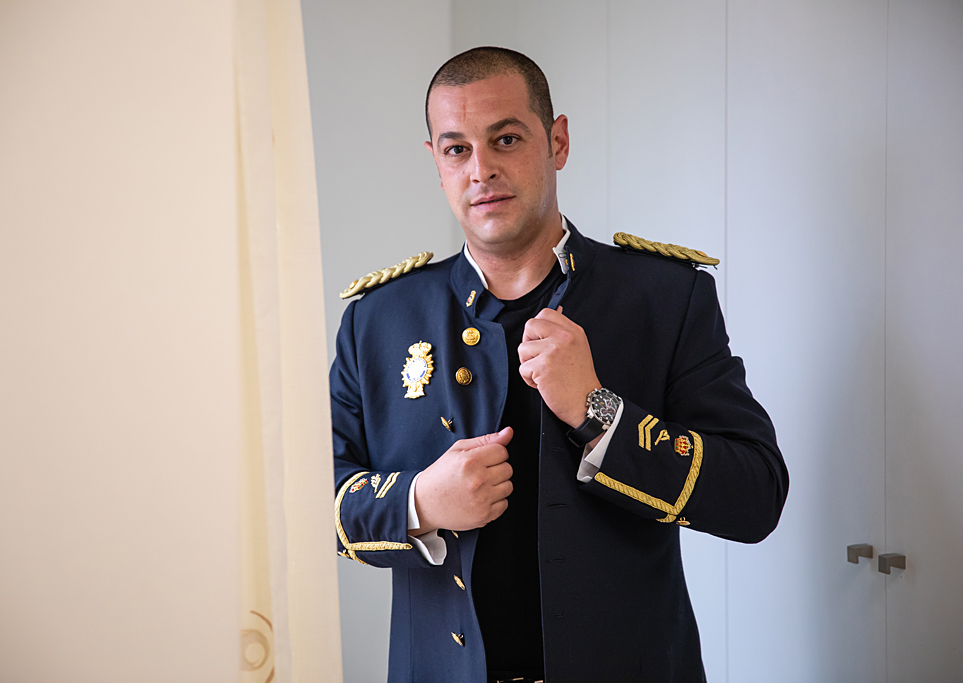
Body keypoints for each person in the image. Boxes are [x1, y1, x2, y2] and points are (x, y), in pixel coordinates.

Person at [330, 46, 787, 683]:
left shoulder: (665, 298)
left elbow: (755, 495)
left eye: (506, 139)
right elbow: (313, 500)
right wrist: (418, 502)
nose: (482, 169)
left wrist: (600, 413)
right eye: (457, 149)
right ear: (436, 162)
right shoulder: (378, 320)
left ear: (558, 141)